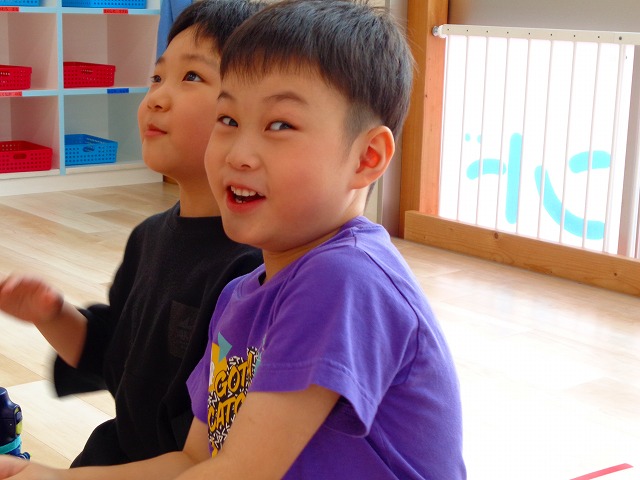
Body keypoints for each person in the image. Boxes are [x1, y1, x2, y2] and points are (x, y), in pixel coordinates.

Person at [0, 1, 466, 478]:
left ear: (367, 157)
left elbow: (239, 472)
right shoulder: (239, 298)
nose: (238, 153)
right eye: (227, 121)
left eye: (280, 125)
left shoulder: (344, 278)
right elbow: (194, 459)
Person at [0, 0, 263, 468]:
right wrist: (53, 314)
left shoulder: (252, 266)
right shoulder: (150, 236)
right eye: (157, 77)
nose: (156, 98)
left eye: (192, 77)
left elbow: (216, 455)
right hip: (125, 451)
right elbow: (115, 357)